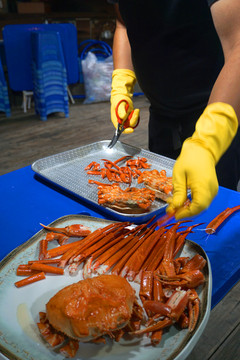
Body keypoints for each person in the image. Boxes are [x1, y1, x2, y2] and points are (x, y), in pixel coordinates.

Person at [109, 0, 240, 219]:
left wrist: (207, 141)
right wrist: (122, 82)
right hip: (161, 115)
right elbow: (123, 23)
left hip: (214, 112)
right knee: (162, 210)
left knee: (211, 217)